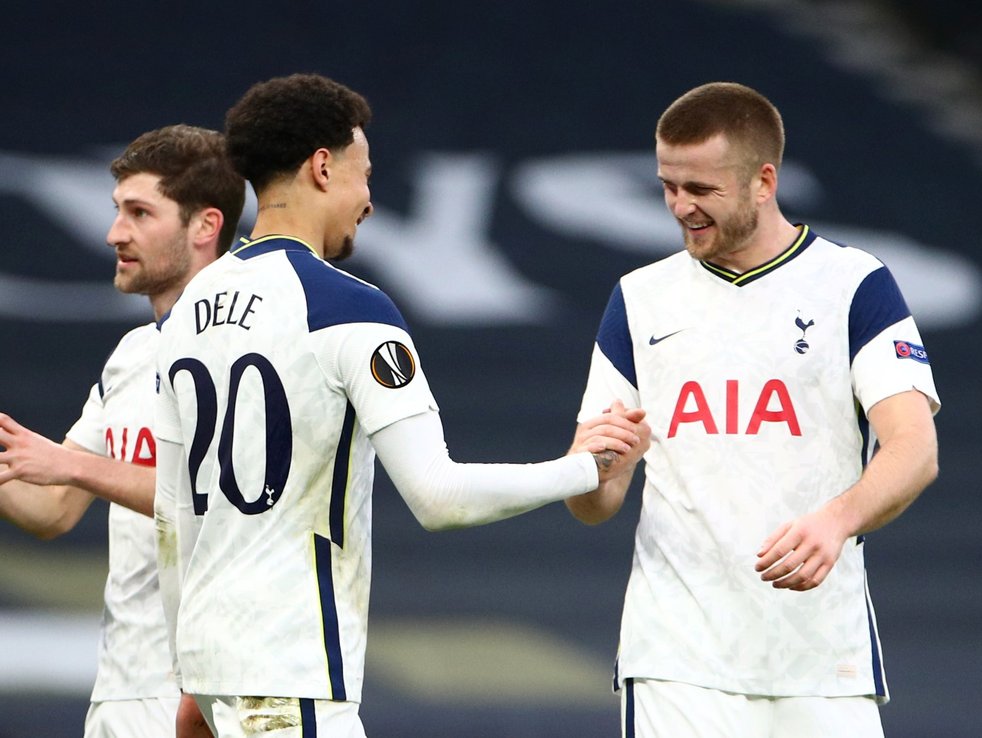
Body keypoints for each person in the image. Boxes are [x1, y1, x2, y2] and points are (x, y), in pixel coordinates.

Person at [152, 72, 649, 738]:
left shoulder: (188, 310)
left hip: (217, 670)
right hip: (288, 675)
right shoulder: (346, 306)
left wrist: (193, 676)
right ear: (322, 168)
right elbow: (438, 497)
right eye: (364, 175)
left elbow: (171, 510)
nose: (369, 200)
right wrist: (587, 466)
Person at [566, 82, 940, 738]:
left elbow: (915, 448)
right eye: (667, 186)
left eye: (701, 190)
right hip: (678, 658)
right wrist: (589, 471)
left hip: (822, 659)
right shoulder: (639, 298)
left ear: (763, 181)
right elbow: (596, 503)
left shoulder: (854, 286)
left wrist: (837, 520)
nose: (680, 207)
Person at [0, 124, 245, 738]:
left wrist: (74, 465)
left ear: (204, 226)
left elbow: (216, 502)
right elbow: (52, 508)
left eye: (139, 213)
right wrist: (62, 469)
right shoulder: (133, 353)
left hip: (209, 695)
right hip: (120, 690)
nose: (114, 234)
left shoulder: (244, 350)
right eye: (117, 211)